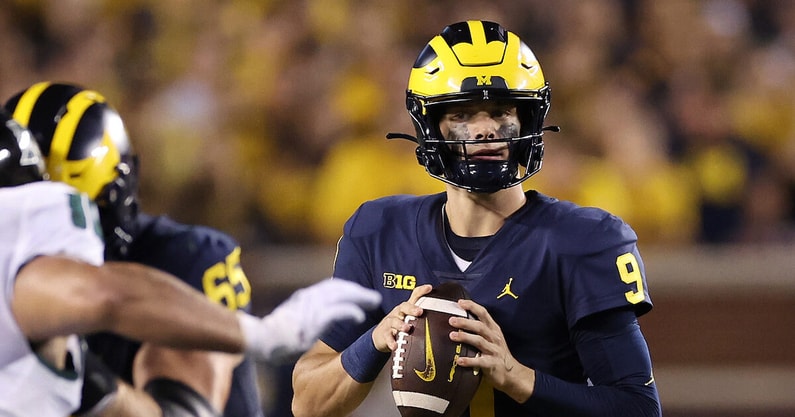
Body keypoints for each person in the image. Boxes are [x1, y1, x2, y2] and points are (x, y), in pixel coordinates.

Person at [292, 20, 661, 417]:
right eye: (463, 114)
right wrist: (375, 341)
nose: (486, 130)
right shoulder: (378, 230)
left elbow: (637, 407)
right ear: (430, 125)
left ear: (528, 119)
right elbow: (307, 402)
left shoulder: (582, 240)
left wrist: (516, 376)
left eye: (502, 110)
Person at [2, 81, 357, 417]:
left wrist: (85, 384)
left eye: (59, 213)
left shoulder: (184, 260)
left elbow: (190, 411)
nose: (39, 235)